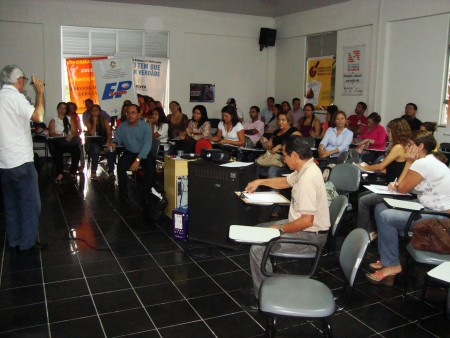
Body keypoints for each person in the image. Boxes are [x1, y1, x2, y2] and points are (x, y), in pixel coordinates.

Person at [246, 135, 330, 302]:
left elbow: (307, 221)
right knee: (260, 229)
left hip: (311, 237)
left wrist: (278, 230)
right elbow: (285, 181)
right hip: (302, 227)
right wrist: (260, 181)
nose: (283, 159)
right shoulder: (305, 168)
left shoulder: (307, 179)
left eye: (285, 155)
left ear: (295, 156)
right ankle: (266, 281)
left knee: (258, 248)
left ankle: (264, 296)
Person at [366, 132, 450, 285]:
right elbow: (406, 186)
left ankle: (392, 265)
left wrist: (408, 162)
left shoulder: (422, 163)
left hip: (440, 219)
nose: (407, 147)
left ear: (421, 146)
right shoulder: (429, 161)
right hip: (429, 209)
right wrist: (398, 185)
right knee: (380, 207)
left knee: (385, 216)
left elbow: (403, 188)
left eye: (411, 145)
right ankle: (387, 259)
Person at [0, 65, 46, 253]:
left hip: (3, 163)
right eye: (25, 81)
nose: (25, 84)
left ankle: (14, 241)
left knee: (11, 205)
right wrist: (40, 92)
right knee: (30, 204)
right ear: (18, 80)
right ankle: (27, 244)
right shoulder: (15, 97)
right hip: (20, 161)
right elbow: (38, 115)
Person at [355, 118, 411, 241]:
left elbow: (381, 166)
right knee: (362, 196)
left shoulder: (398, 147)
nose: (388, 134)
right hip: (390, 185)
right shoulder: (402, 146)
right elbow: (392, 169)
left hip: (394, 189)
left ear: (396, 132)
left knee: (363, 200)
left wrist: (364, 167)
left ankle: (365, 232)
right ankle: (369, 230)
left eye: (389, 131)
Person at [112, 104, 153, 201]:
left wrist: (138, 159)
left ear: (139, 114)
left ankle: (146, 193)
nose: (130, 115)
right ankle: (123, 193)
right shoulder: (122, 126)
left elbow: (147, 145)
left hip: (144, 153)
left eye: (133, 113)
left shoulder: (146, 127)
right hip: (130, 152)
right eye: (128, 113)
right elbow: (117, 138)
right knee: (121, 167)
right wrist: (114, 143)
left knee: (150, 168)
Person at [258, 111, 301, 178]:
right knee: (256, 166)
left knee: (272, 170)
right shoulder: (276, 132)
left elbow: (296, 146)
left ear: (289, 121)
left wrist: (280, 146)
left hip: (287, 161)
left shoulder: (294, 132)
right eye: (279, 120)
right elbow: (268, 147)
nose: (280, 122)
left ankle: (273, 188)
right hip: (274, 158)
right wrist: (264, 142)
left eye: (283, 120)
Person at [48, 102, 81, 183]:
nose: (62, 110)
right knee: (57, 152)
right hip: (59, 141)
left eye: (64, 108)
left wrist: (70, 136)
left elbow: (74, 131)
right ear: (57, 109)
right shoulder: (53, 120)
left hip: (70, 141)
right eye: (60, 108)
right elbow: (51, 134)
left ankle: (73, 172)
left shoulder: (70, 119)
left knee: (77, 151)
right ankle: (60, 173)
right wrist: (61, 135)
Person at [85, 104, 114, 180]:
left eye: (96, 110)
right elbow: (92, 133)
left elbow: (109, 133)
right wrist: (94, 121)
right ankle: (94, 171)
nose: (94, 112)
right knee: (96, 149)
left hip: (104, 140)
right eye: (92, 111)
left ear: (99, 111)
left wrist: (108, 142)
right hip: (93, 140)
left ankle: (111, 171)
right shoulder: (88, 121)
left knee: (111, 148)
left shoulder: (104, 120)